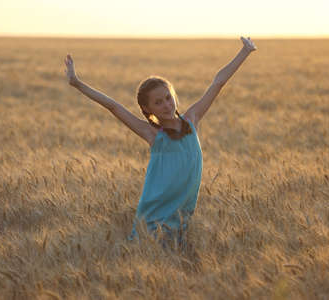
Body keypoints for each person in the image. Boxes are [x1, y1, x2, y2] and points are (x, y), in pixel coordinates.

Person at [64, 36, 257, 250]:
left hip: (183, 213)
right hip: (155, 214)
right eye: (158, 102)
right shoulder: (153, 134)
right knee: (149, 252)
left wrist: (245, 51)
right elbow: (114, 107)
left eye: (168, 97)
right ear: (148, 110)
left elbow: (218, 82)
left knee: (177, 255)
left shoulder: (192, 119)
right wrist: (77, 83)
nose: (166, 105)